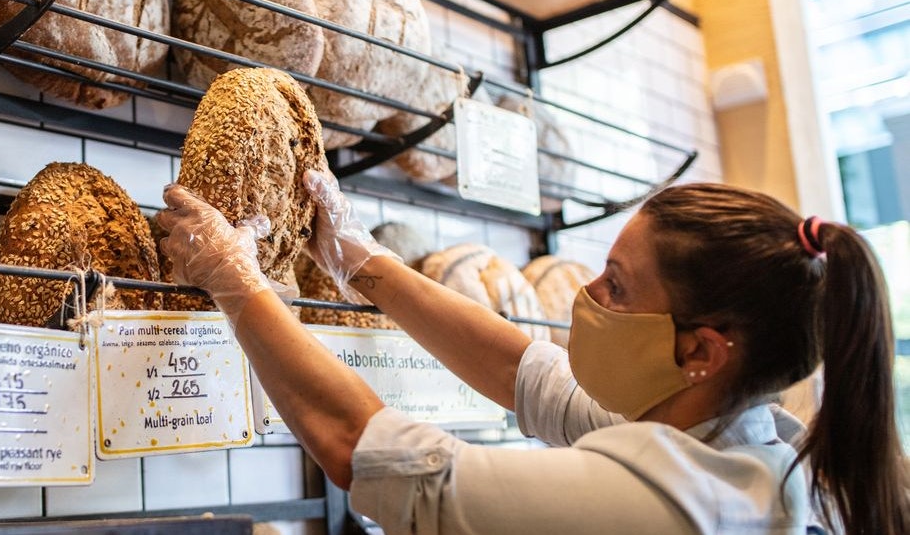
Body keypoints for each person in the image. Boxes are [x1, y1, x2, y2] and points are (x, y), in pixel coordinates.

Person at [155, 170, 909, 534]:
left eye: (616, 285)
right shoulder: (733, 437)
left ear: (702, 350)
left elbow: (368, 451)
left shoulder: (678, 507)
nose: (587, 292)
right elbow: (527, 373)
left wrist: (235, 280)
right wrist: (367, 264)